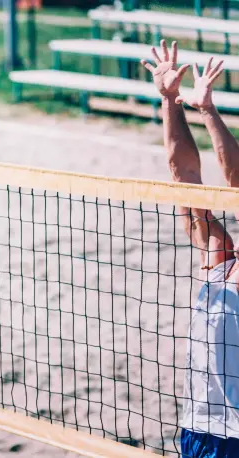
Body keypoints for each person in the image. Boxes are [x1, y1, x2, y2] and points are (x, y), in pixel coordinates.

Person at [142, 41, 239, 457]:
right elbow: (184, 176)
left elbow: (236, 183)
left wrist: (210, 113)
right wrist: (171, 102)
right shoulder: (218, 256)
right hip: (198, 428)